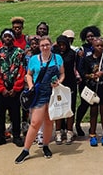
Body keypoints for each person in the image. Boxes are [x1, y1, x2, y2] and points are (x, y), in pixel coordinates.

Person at [15, 36, 65, 164]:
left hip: (52, 93)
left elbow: (62, 73)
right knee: (35, 122)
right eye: (42, 45)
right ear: (39, 46)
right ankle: (26, 150)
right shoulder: (33, 59)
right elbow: (29, 75)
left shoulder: (57, 58)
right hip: (39, 93)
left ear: (51, 45)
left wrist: (58, 82)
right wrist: (31, 86)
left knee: (49, 121)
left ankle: (46, 145)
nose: (45, 47)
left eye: (47, 44)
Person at [0, 29, 26, 148]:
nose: (8, 38)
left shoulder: (19, 52)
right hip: (2, 89)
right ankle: (0, 136)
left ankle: (16, 135)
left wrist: (16, 88)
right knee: (0, 113)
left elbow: (21, 70)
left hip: (15, 88)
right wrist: (1, 89)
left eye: (10, 36)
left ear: (13, 38)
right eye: (5, 36)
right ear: (2, 38)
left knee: (15, 113)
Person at [83, 37, 103, 147]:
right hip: (92, 89)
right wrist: (91, 76)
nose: (100, 47)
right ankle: (92, 135)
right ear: (93, 47)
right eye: (97, 46)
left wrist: (102, 74)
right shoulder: (88, 59)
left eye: (101, 45)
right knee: (93, 112)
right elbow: (84, 74)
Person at [75, 25, 101, 136]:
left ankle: (92, 128)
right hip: (85, 82)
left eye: (92, 36)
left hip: (97, 82)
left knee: (95, 105)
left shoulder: (100, 47)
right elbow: (80, 66)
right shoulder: (82, 49)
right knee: (84, 104)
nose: (90, 38)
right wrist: (86, 76)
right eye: (88, 36)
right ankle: (77, 123)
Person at [54, 35, 77, 145]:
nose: (62, 47)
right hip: (57, 85)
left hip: (70, 84)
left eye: (64, 45)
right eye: (60, 45)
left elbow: (64, 63)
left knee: (69, 108)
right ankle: (58, 132)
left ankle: (69, 132)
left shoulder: (71, 54)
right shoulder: (54, 53)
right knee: (58, 107)